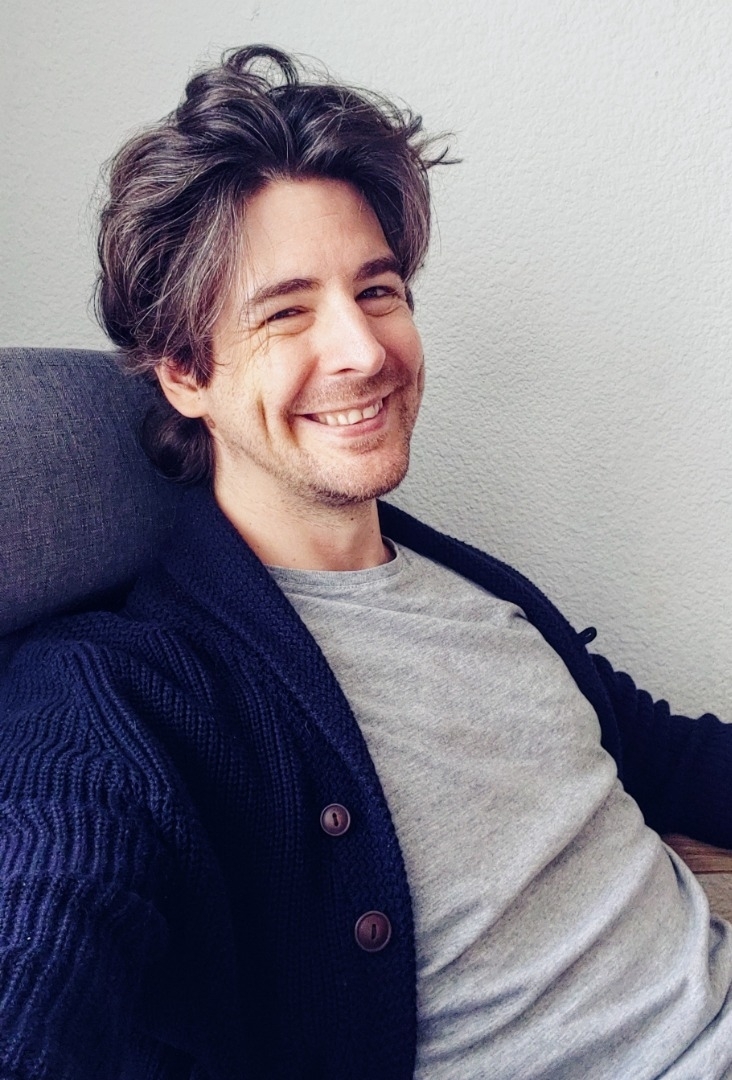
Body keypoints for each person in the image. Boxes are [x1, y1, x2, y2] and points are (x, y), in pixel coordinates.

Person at [1, 44, 731, 1080]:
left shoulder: (478, 591)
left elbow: (667, 755)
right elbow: (53, 919)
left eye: (377, 290)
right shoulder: (120, 684)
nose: (364, 350)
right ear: (183, 373)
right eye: (286, 311)